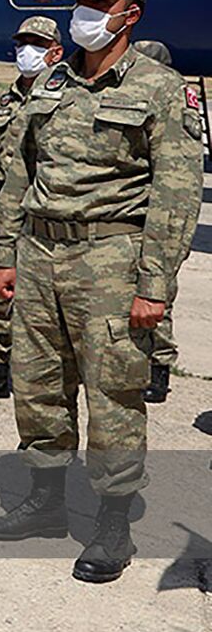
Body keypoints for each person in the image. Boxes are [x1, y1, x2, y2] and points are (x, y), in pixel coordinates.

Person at [0, 0, 202, 584]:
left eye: (98, 5)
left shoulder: (160, 87)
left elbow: (176, 194)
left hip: (111, 258)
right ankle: (45, 501)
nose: (85, 15)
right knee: (37, 384)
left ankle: (112, 521)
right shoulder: (53, 82)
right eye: (80, 2)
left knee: (114, 393)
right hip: (39, 254)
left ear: (129, 15)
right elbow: (19, 171)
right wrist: (4, 253)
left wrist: (154, 284)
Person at [0, 16, 64, 400]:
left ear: (55, 52)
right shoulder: (2, 103)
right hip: (1, 210)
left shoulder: (65, 97)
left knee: (45, 296)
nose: (27, 51)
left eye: (37, 45)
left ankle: (44, 369)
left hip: (45, 211)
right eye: (23, 43)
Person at [131, 39, 180, 405]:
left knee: (159, 294)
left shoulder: (169, 105)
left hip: (158, 219)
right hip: (128, 220)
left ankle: (159, 367)